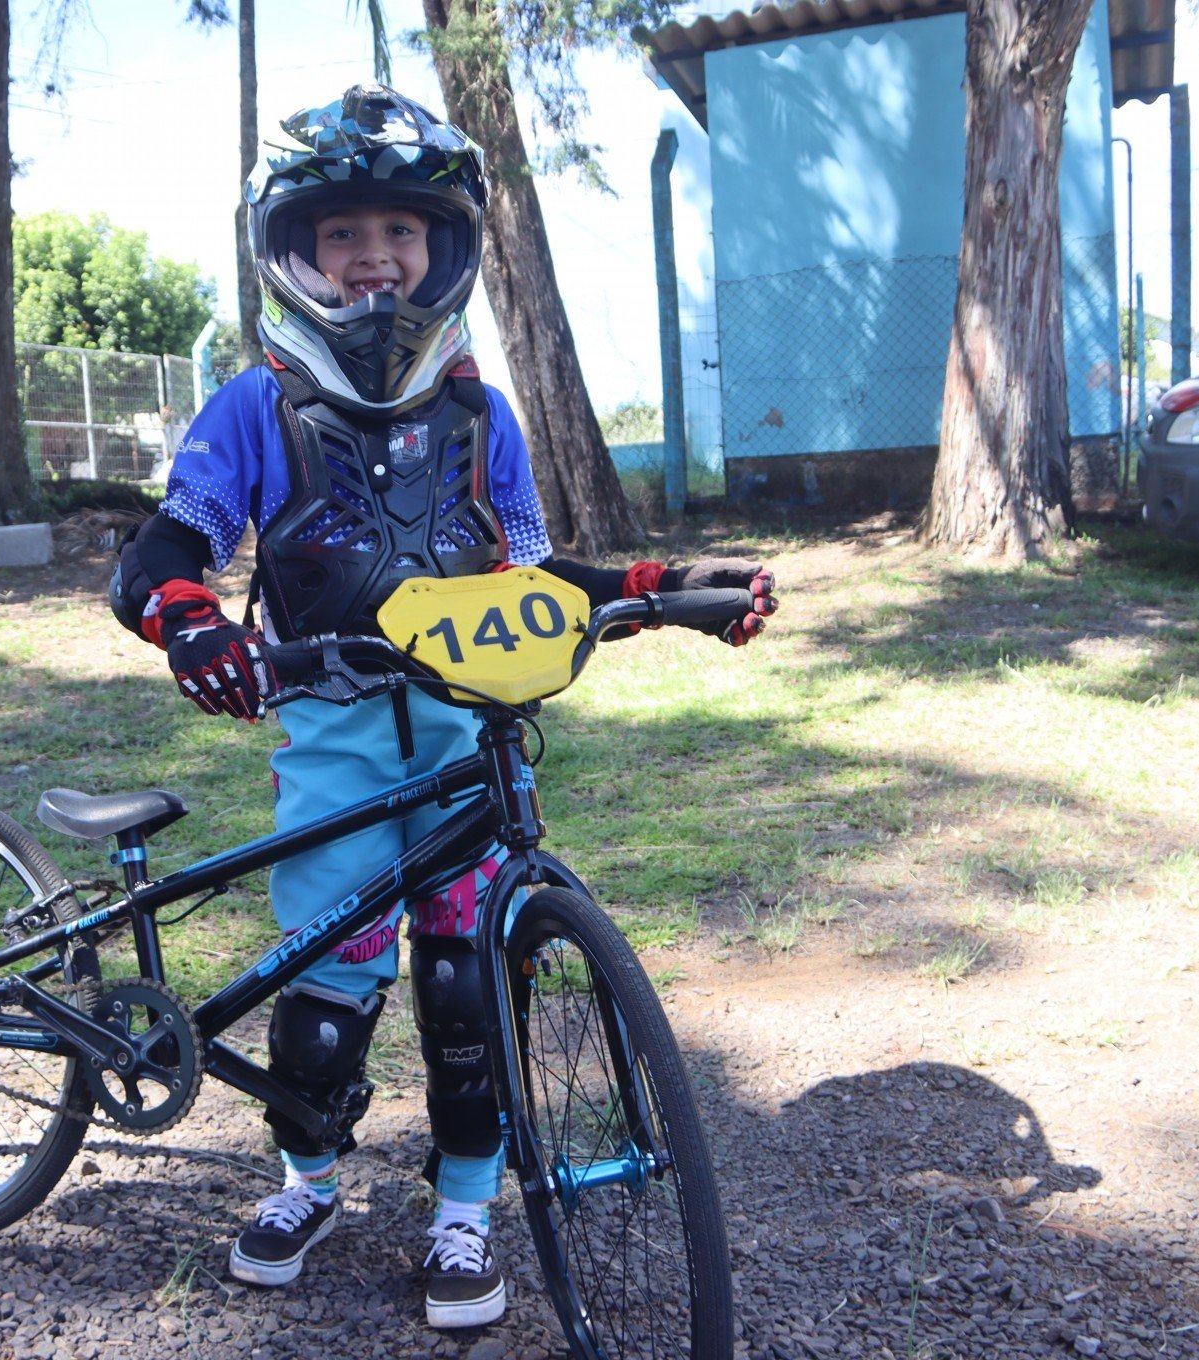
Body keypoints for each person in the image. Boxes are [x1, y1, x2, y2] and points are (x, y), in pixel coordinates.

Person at [107, 84, 777, 1330]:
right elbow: (160, 552)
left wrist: (664, 584)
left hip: (470, 747)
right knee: (327, 997)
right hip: (337, 747)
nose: (374, 263)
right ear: (291, 255)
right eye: (343, 236)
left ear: (444, 251)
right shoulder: (254, 409)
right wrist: (191, 621)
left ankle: (465, 1211)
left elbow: (527, 572)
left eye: (401, 235)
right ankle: (307, 1177)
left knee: (468, 987)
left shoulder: (483, 418)